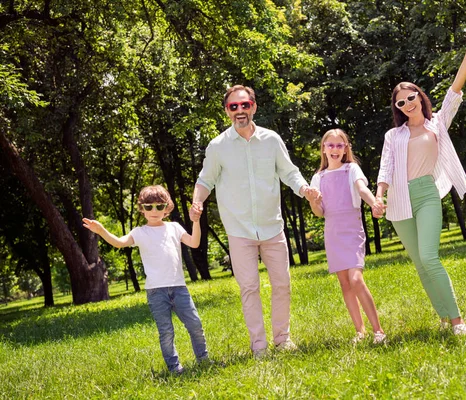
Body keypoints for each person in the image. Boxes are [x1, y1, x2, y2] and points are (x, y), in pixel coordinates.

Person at [375, 23, 466, 335]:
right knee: (419, 263)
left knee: (429, 256)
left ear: (418, 96)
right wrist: (379, 195)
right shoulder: (393, 135)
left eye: (410, 97)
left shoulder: (437, 124)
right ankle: (442, 317)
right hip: (399, 200)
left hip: (426, 194)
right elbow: (386, 167)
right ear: (398, 109)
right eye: (400, 102)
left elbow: (455, 90)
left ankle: (457, 320)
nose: (406, 104)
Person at [191, 85, 317, 358]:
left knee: (282, 283)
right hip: (239, 231)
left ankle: (282, 339)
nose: (240, 110)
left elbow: (289, 171)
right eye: (233, 106)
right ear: (226, 111)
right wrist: (197, 201)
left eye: (244, 105)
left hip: (272, 226)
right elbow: (205, 180)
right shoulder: (218, 146)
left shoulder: (271, 140)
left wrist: (304, 189)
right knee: (250, 288)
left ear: (254, 107)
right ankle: (259, 346)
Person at [82, 185, 208, 373]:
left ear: (167, 208)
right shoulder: (139, 232)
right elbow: (118, 242)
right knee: (166, 332)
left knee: (195, 325)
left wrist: (196, 221)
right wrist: (101, 231)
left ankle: (204, 360)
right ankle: (174, 368)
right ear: (142, 209)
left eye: (159, 206)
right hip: (156, 292)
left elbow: (194, 242)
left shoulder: (174, 227)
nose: (154, 211)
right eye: (149, 207)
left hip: (179, 288)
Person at [306, 128, 387, 344]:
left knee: (356, 279)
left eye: (339, 145)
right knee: (344, 283)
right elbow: (319, 212)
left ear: (345, 148)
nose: (334, 149)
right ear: (323, 149)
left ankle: (378, 331)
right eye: (330, 145)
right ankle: (360, 332)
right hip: (333, 233)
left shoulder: (351, 169)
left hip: (352, 230)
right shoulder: (317, 177)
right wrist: (314, 200)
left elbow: (361, 189)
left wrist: (374, 203)